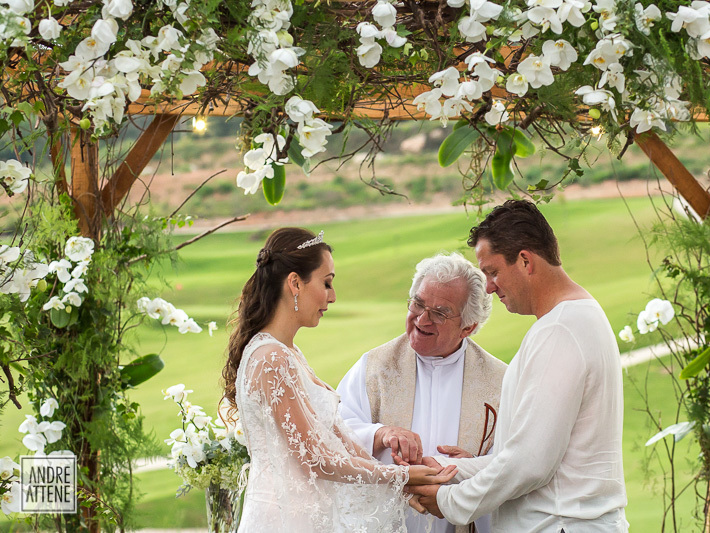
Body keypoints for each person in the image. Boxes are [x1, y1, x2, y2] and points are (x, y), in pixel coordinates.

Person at [406, 200, 628, 532]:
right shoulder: (577, 317)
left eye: (493, 272)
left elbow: (530, 463)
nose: (490, 287)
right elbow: (523, 453)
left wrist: (449, 501)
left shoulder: (560, 330)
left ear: (525, 260)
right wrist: (447, 468)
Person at [220, 227, 456, 533]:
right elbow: (314, 458)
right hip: (284, 521)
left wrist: (401, 482)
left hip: (312, 519)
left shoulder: (290, 354)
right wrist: (399, 478)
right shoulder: (271, 359)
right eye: (327, 283)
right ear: (295, 283)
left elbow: (340, 443)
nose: (332, 296)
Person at [337, 252, 507, 533]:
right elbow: (335, 431)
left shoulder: (501, 381)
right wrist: (380, 435)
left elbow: (516, 459)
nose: (422, 320)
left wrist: (475, 468)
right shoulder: (375, 367)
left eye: (439, 313)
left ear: (469, 327)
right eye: (418, 304)